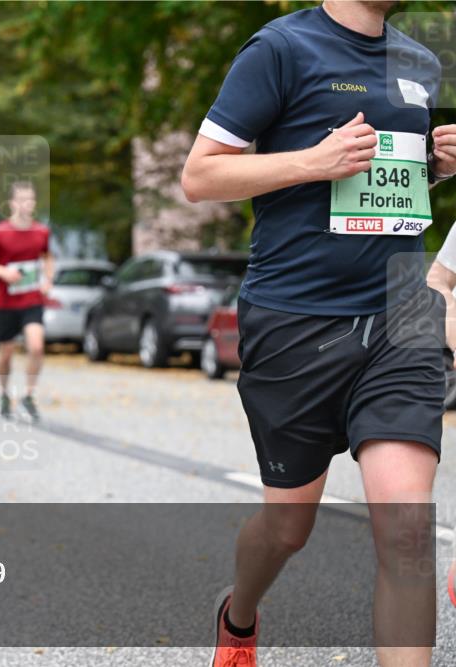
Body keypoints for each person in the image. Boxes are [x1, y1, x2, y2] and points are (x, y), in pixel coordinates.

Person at [180, 2, 454, 665]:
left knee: (407, 528)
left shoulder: (420, 63)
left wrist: (434, 166)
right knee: (287, 526)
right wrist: (313, 160)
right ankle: (238, 612)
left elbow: (389, 181)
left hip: (403, 309)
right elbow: (199, 175)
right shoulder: (279, 49)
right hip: (296, 318)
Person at [0, 181, 53, 421]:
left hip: (32, 299)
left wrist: (48, 279)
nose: (26, 204)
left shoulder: (41, 232)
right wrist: (2, 272)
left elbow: (48, 257)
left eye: (30, 200)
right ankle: (5, 393)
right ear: (11, 203)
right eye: (21, 199)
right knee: (6, 354)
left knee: (37, 346)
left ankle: (29, 395)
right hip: (6, 303)